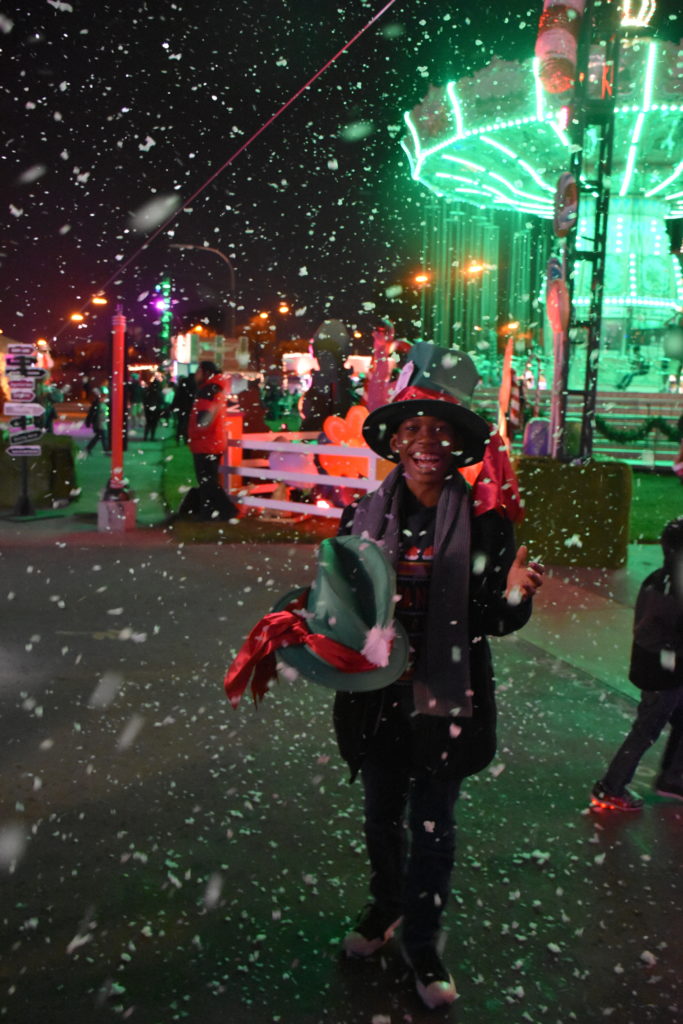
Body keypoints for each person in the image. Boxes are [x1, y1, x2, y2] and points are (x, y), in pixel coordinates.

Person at [332, 341, 544, 1008]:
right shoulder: (361, 519)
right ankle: (385, 906)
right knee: (378, 819)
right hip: (376, 701)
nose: (426, 441)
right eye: (412, 428)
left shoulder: (486, 529)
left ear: (457, 447)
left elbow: (496, 622)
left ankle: (421, 942)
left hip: (445, 702)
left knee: (433, 829)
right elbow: (340, 614)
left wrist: (514, 591)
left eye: (440, 430)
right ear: (394, 442)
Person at [591, 516, 683, 811]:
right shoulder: (671, 587)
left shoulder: (661, 579)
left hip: (663, 671)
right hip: (663, 675)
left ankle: (673, 779)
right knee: (645, 731)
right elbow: (656, 633)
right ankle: (611, 787)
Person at [187, 360, 238, 521]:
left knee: (207, 482)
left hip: (205, 443)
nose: (195, 376)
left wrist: (194, 433)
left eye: (198, 372)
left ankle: (227, 511)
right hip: (213, 442)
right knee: (208, 481)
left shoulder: (207, 391)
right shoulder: (217, 388)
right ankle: (208, 513)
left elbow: (204, 420)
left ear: (205, 372)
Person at [83, 387, 107, 455]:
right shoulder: (97, 404)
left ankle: (88, 448)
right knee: (103, 436)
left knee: (98, 436)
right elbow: (91, 414)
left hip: (102, 423)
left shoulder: (103, 404)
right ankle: (106, 450)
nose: (104, 398)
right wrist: (88, 422)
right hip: (99, 423)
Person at [143, 374, 164, 441]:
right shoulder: (159, 393)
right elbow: (161, 401)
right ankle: (152, 436)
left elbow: (144, 400)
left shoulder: (148, 392)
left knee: (148, 423)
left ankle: (145, 437)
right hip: (156, 409)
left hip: (148, 408)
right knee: (154, 423)